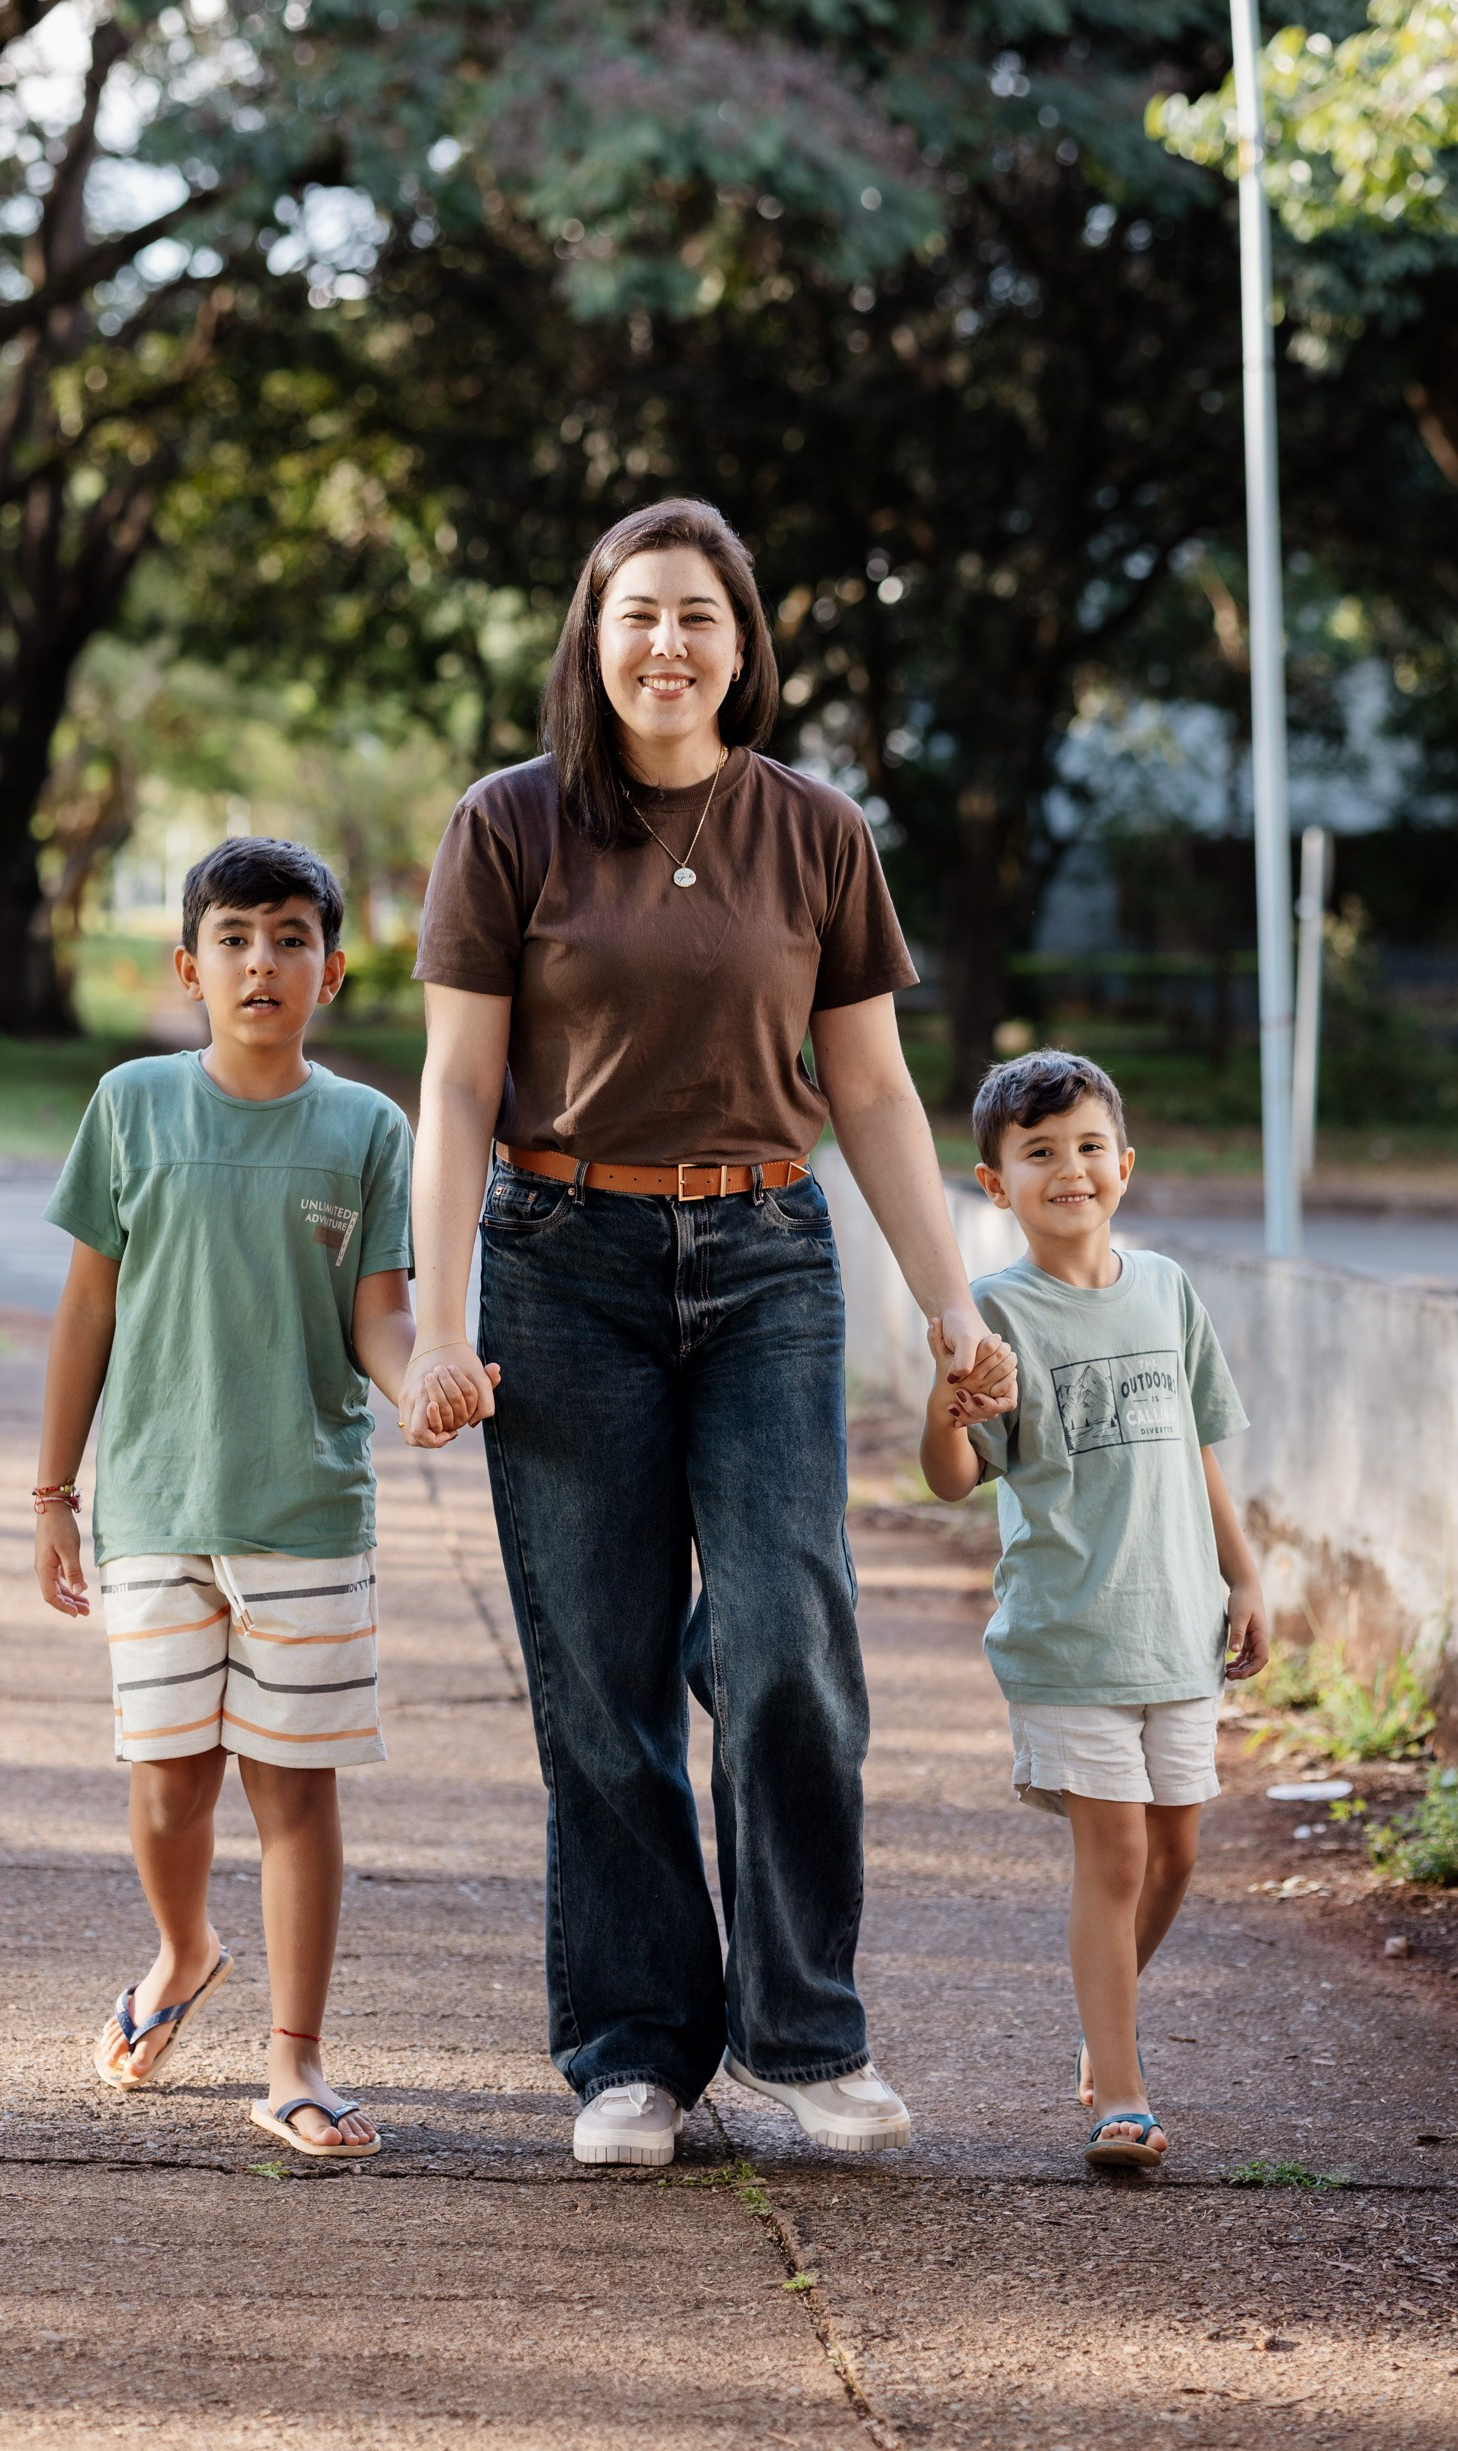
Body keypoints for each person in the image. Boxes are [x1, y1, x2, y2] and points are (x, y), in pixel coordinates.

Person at [397, 496, 1018, 2167]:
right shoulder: (508, 822)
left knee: (783, 1643)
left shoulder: (812, 831)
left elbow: (872, 1091)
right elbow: (456, 1085)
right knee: (598, 1678)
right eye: (635, 614)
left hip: (764, 1263)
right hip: (558, 1263)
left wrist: (952, 1306)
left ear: (742, 648)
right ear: (589, 641)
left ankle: (802, 2037)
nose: (664, 644)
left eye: (696, 617)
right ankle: (631, 2052)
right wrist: (436, 1316)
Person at [33, 837, 472, 2157]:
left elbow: (378, 1322)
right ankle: (180, 1954)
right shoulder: (131, 1106)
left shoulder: (365, 1130)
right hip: (157, 1507)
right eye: (233, 938)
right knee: (169, 1783)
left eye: (289, 937)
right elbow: (86, 1307)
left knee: (294, 1790)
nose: (260, 962)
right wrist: (53, 1490)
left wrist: (423, 1390)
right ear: (188, 966)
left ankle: (295, 2058)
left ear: (331, 971)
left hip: (307, 1517)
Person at [919, 1047, 1269, 2172]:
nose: (1068, 1169)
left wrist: (1247, 1573)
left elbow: (1202, 1448)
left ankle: (1098, 2016)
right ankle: (1121, 2091)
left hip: (1178, 1624)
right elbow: (953, 1476)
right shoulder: (990, 1312)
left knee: (1175, 1854)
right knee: (1113, 1855)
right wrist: (944, 1402)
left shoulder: (1167, 1287)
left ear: (1124, 1163)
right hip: (1070, 1629)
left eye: (1086, 1148)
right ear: (994, 1181)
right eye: (1038, 1153)